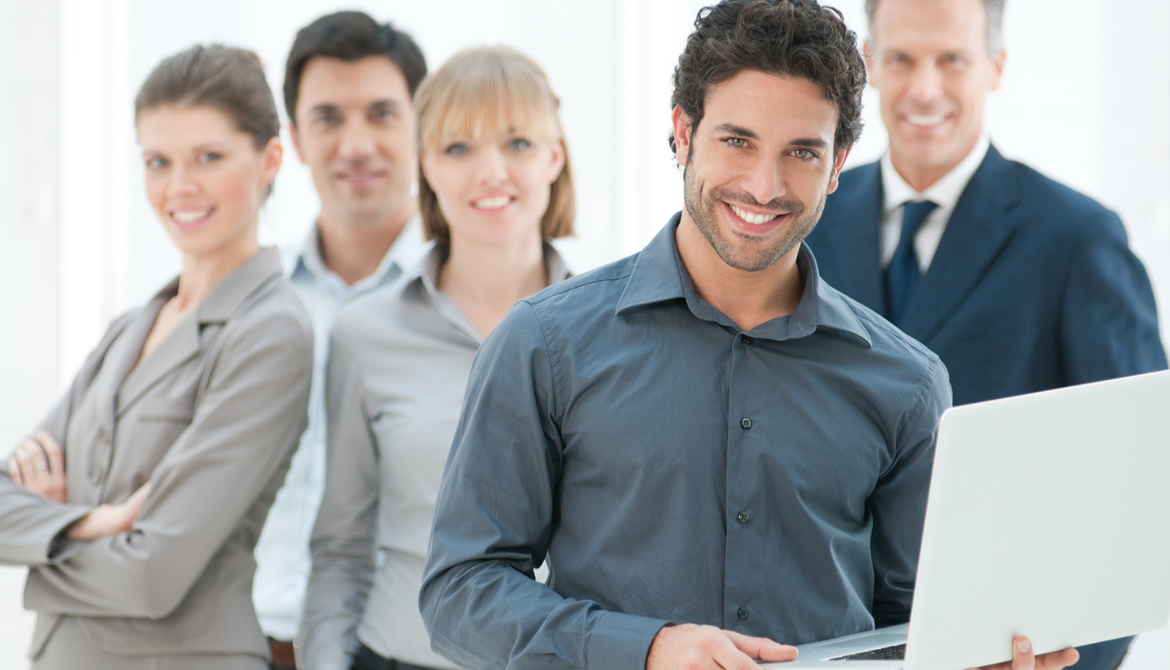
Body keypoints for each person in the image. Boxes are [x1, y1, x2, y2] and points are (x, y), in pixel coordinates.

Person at [420, 2, 1082, 670]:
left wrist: (979, 657)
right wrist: (644, 649)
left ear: (837, 163)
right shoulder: (545, 344)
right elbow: (459, 594)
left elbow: (913, 630)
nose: (764, 187)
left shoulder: (908, 384)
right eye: (737, 140)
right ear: (682, 132)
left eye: (801, 151)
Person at [802, 1, 1167, 667]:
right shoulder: (808, 224)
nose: (925, 88)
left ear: (996, 67)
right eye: (903, 58)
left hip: (1004, 648)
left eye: (953, 60)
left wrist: (1072, 652)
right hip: (829, 643)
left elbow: (1139, 484)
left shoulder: (1075, 239)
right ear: (869, 65)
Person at [0, 44, 312, 669]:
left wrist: (39, 542)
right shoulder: (129, 327)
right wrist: (96, 523)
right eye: (157, 161)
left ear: (269, 160)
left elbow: (152, 574)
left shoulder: (270, 331)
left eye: (209, 157)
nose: (179, 187)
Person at [299, 45, 574, 670]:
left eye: (517, 144)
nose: (490, 172)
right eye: (458, 148)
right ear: (425, 164)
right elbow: (341, 547)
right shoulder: (364, 335)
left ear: (555, 155)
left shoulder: (613, 330)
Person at [249, 12, 427, 670]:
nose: (356, 144)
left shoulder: (471, 303)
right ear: (293, 138)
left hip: (408, 649)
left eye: (382, 113)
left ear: (421, 126)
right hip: (252, 641)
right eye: (328, 118)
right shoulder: (253, 299)